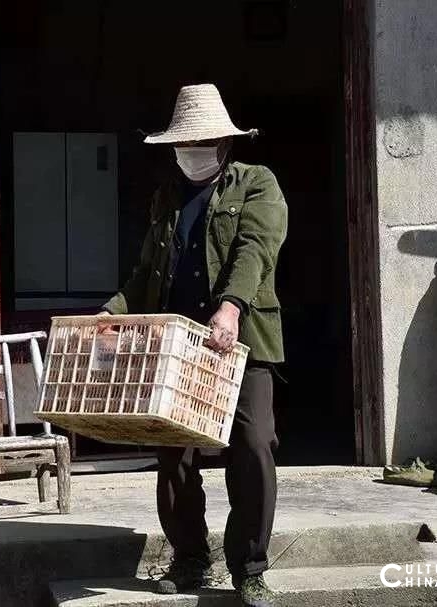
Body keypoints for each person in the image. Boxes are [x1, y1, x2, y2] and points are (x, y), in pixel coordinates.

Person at [99, 84, 287, 607]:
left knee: (251, 444)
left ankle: (249, 568)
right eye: (184, 142)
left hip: (241, 339)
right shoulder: (166, 198)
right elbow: (145, 275)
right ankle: (189, 559)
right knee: (173, 451)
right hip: (177, 343)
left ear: (224, 143)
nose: (192, 150)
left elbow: (256, 249)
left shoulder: (257, 184)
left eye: (202, 140)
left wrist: (230, 306)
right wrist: (111, 313)